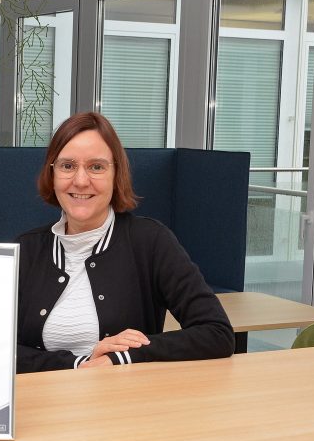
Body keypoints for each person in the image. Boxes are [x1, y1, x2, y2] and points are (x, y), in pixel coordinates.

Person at [16, 112, 235, 373]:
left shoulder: (150, 242)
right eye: (67, 166)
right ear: (51, 174)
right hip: (41, 406)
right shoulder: (26, 250)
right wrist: (79, 364)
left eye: (96, 166)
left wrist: (121, 356)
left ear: (115, 173)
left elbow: (217, 333)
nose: (81, 180)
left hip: (124, 405)